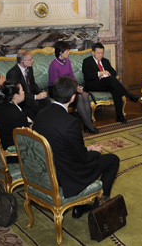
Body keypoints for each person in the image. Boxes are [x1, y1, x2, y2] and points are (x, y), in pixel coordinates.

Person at [33, 76, 120, 219]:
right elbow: (82, 159)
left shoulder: (41, 114)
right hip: (66, 175)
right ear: (73, 97)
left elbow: (60, 145)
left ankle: (81, 206)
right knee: (112, 160)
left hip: (45, 170)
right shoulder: (71, 123)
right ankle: (99, 205)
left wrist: (87, 148)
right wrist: (95, 152)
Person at [48, 41, 99, 133]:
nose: (69, 52)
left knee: (85, 94)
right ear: (60, 53)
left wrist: (77, 86)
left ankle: (88, 124)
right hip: (57, 90)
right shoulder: (53, 65)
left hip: (69, 87)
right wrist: (73, 89)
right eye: (67, 51)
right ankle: (89, 126)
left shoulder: (67, 61)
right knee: (78, 96)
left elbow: (72, 75)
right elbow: (57, 83)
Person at [82, 42, 139, 124]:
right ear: (93, 52)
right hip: (93, 84)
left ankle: (120, 117)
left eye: (102, 53)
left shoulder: (105, 61)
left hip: (106, 83)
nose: (100, 55)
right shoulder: (87, 61)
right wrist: (100, 73)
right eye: (98, 53)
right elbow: (87, 76)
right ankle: (128, 95)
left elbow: (114, 72)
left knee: (115, 89)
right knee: (111, 80)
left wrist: (108, 74)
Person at [6, 50, 49, 120]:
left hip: (31, 96)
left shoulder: (29, 68)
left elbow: (33, 84)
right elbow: (16, 94)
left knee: (46, 101)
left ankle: (47, 122)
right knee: (35, 105)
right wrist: (36, 97)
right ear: (22, 62)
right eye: (30, 60)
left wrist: (40, 94)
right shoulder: (12, 73)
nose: (32, 61)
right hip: (21, 99)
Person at [0, 81, 31, 149]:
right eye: (22, 90)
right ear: (16, 95)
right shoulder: (19, 116)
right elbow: (27, 139)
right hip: (14, 151)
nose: (24, 92)